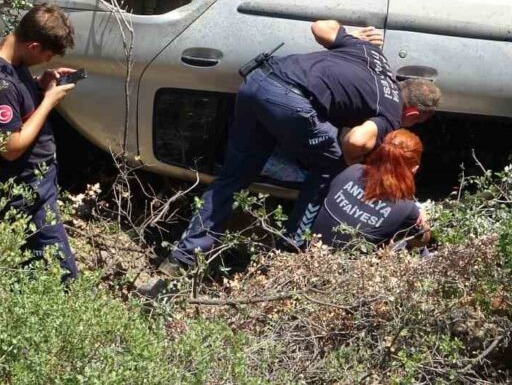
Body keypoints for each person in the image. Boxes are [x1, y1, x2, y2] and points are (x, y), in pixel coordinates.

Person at [161, 19, 441, 274]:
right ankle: (291, 251)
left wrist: (353, 35)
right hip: (289, 101)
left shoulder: (371, 54)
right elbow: (357, 140)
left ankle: (181, 258)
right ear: (414, 114)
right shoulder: (391, 113)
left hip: (258, 81)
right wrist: (352, 164)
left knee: (234, 177)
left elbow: (321, 26)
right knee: (330, 165)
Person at [0, 3, 81, 282]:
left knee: (36, 265)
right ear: (32, 44)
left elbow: (16, 99)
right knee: (61, 274)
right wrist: (48, 102)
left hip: (38, 181)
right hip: (26, 186)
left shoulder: (3, 51)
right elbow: (9, 147)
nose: (48, 60)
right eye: (47, 54)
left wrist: (37, 84)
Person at [311, 129, 432, 249]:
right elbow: (421, 242)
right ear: (414, 169)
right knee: (414, 246)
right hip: (352, 265)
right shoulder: (406, 207)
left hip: (312, 248)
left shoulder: (353, 170)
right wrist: (423, 217)